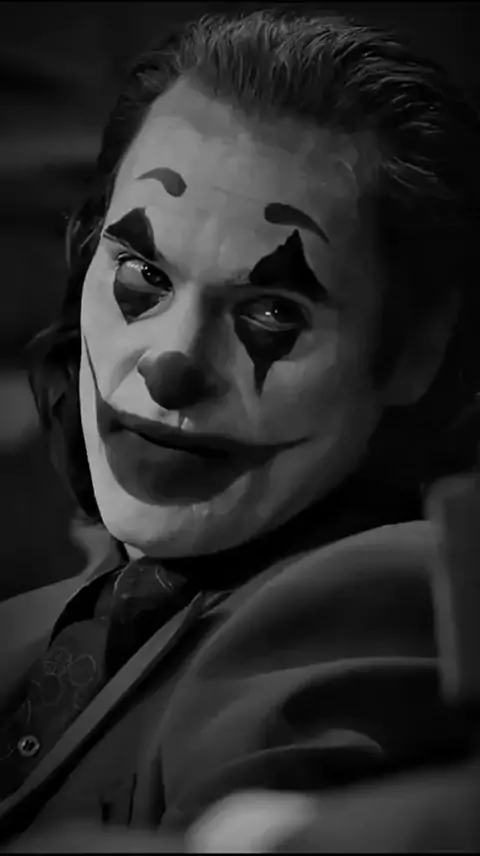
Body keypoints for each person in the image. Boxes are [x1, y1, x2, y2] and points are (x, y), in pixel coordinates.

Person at [1, 4, 480, 850]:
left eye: (270, 310)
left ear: (415, 351)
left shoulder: (367, 596)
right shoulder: (34, 626)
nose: (171, 362)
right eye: (142, 273)